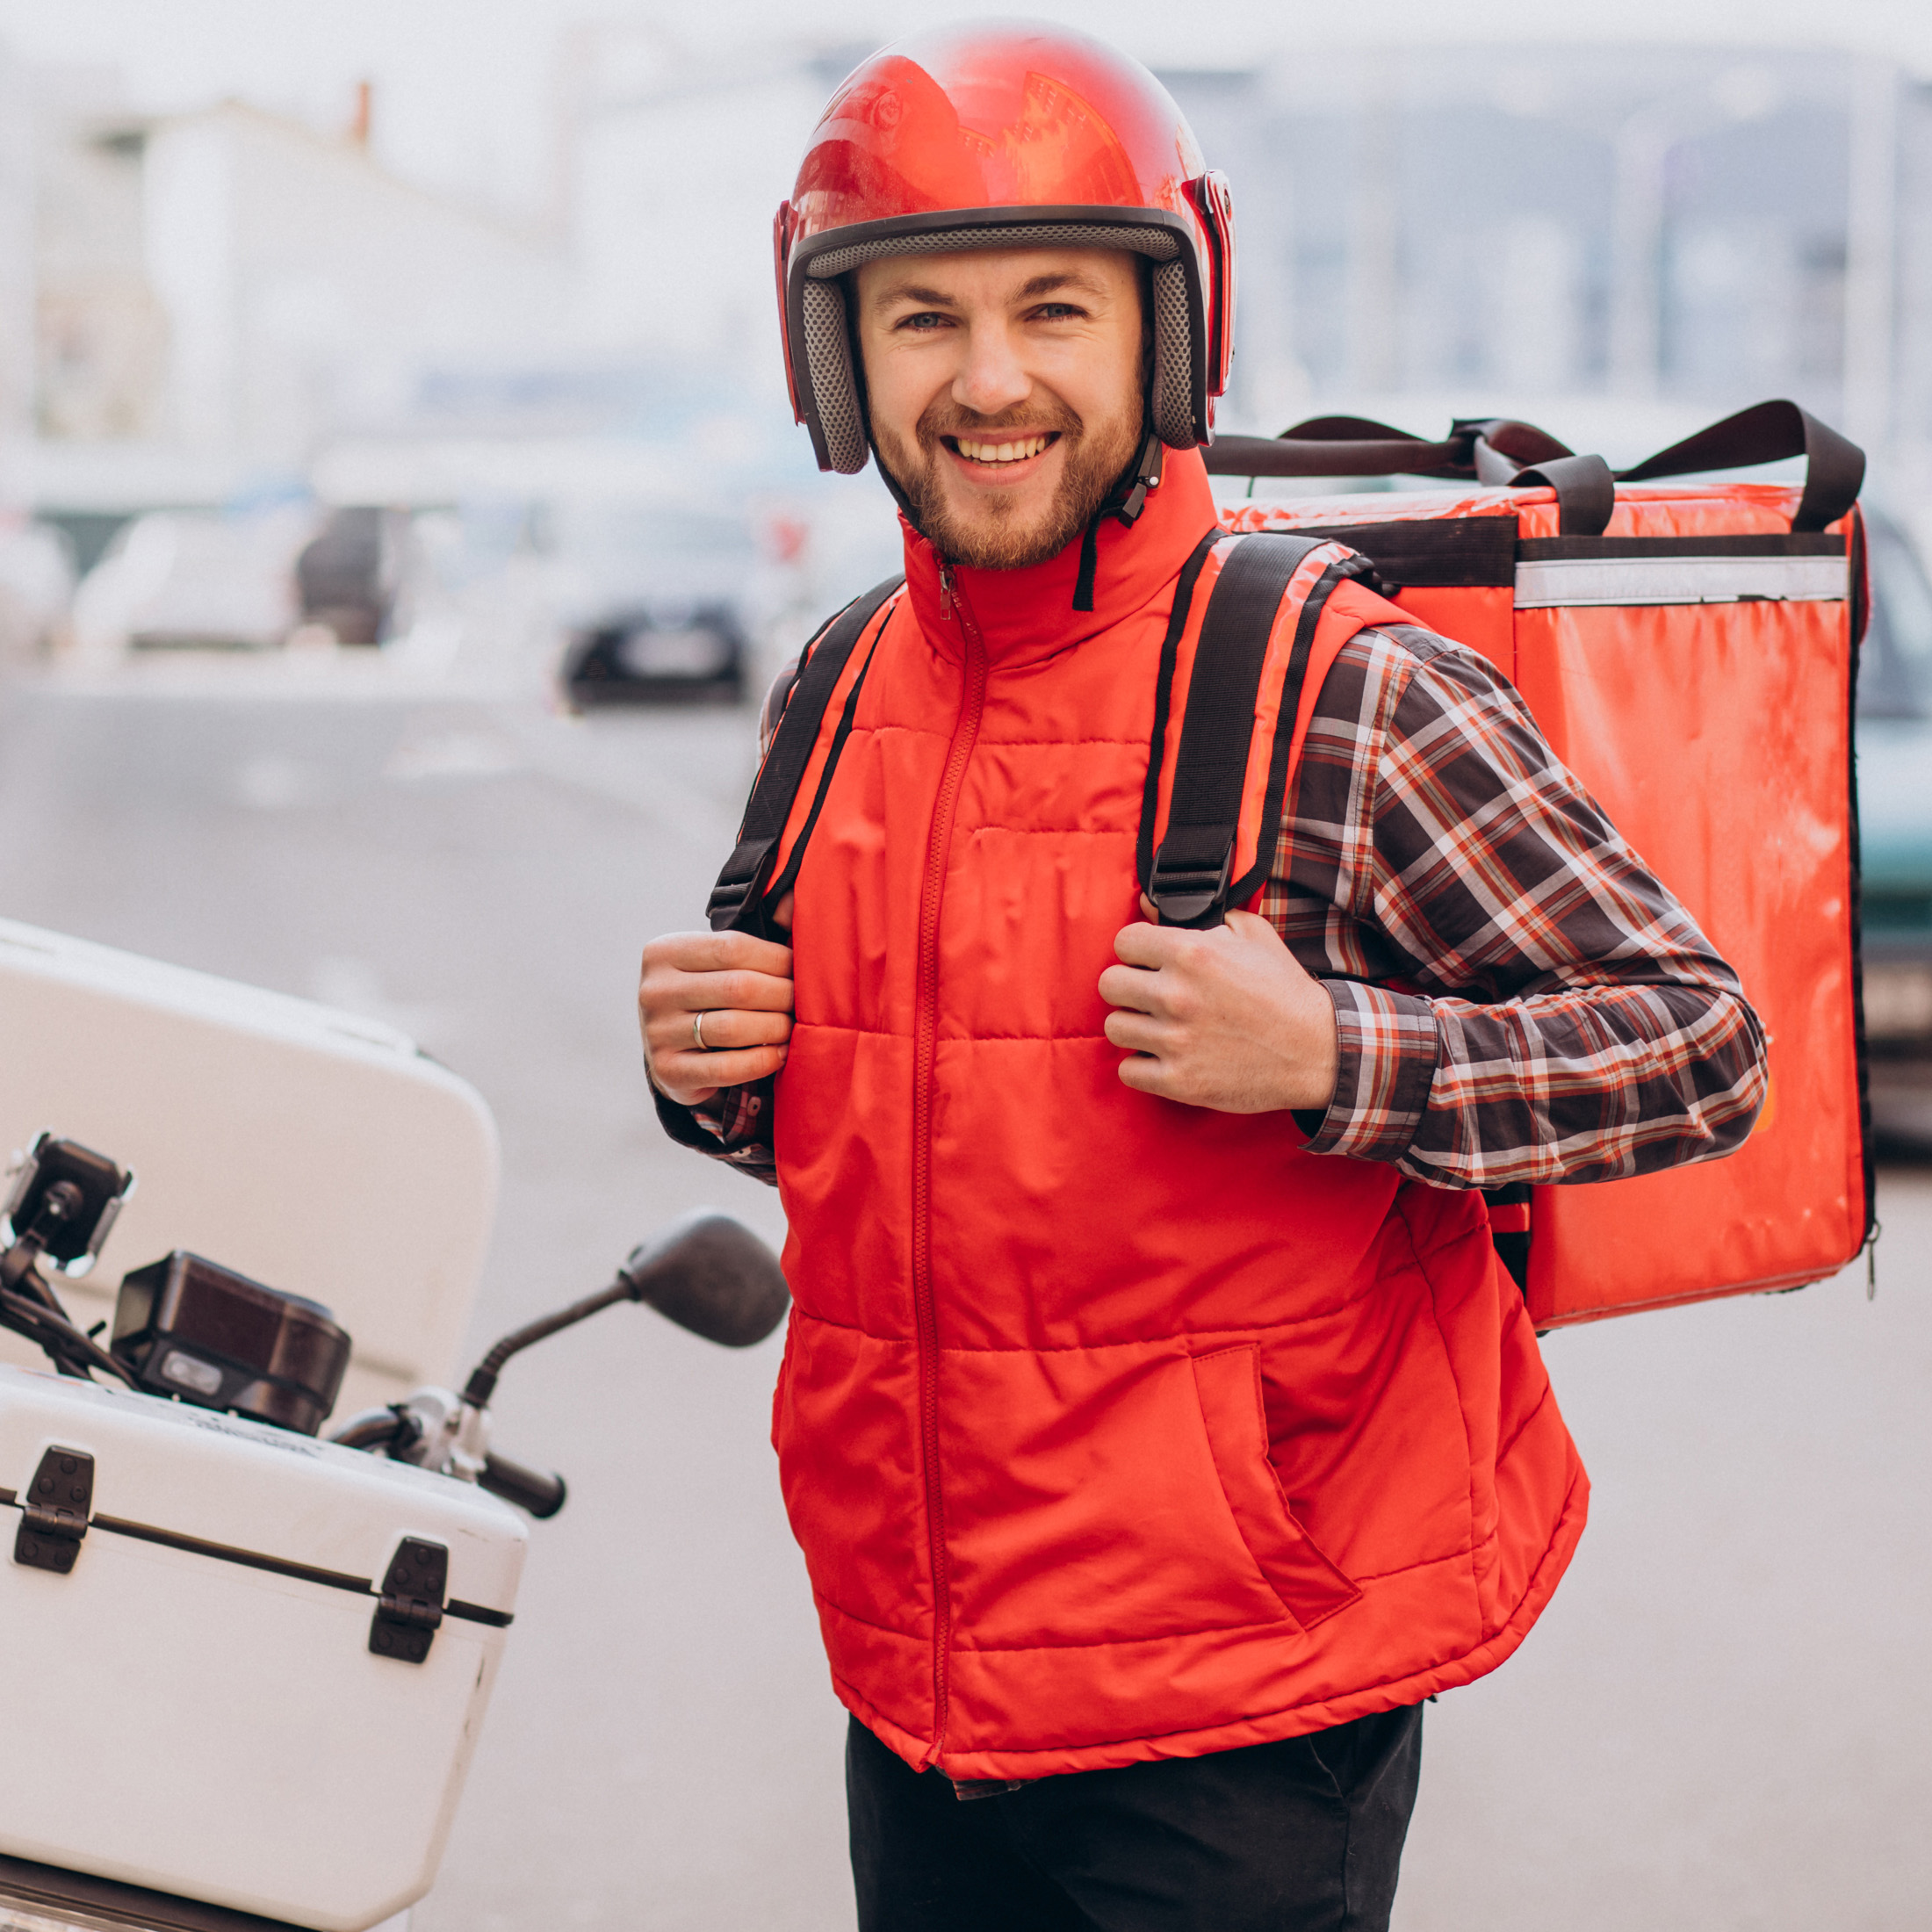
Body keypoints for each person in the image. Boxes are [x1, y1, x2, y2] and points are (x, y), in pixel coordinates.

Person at [638, 24, 1767, 1931]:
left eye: (1053, 310)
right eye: (919, 320)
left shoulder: (1344, 682)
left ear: (1167, 325)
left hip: (1241, 1696)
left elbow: (1696, 1042)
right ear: (833, 353)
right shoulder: (836, 687)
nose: (988, 382)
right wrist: (718, 1073)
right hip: (922, 1682)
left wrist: (1336, 1051)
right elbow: (935, 1146)